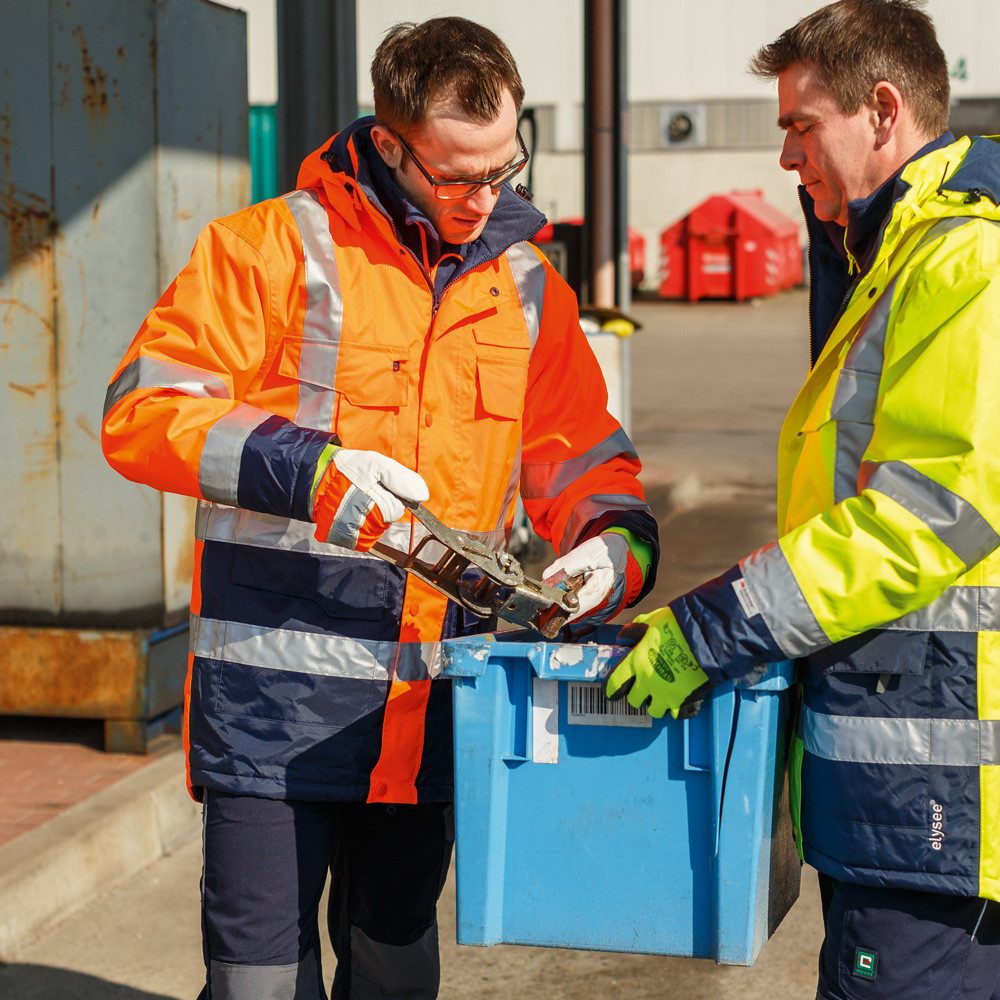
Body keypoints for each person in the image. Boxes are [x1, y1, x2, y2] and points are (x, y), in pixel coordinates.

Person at [101, 16, 658, 1000]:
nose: (485, 199)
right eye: (456, 177)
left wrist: (611, 549)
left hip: (431, 705)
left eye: (503, 168)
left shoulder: (526, 285)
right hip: (273, 715)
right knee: (259, 986)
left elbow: (580, 454)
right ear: (392, 142)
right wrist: (310, 471)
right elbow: (143, 413)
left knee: (397, 977)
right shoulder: (263, 250)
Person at [606, 1, 1000, 996]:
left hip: (937, 794)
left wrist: (712, 625)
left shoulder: (963, 262)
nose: (785, 156)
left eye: (798, 124)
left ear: (881, 110)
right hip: (904, 769)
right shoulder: (890, 257)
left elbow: (926, 515)